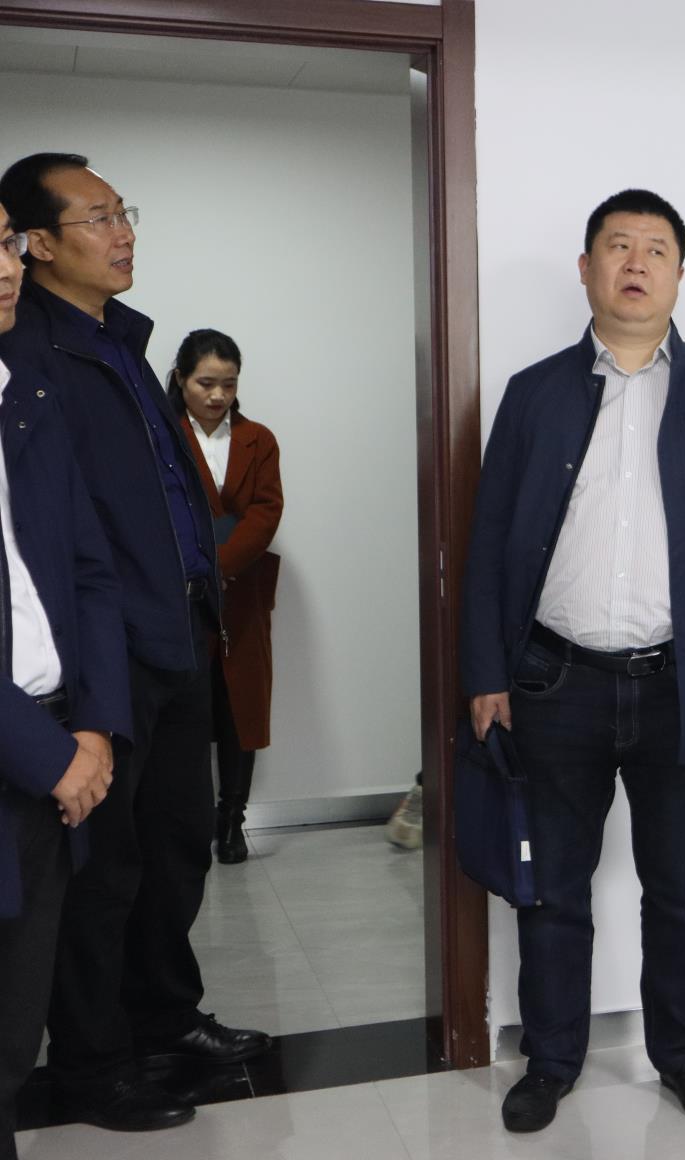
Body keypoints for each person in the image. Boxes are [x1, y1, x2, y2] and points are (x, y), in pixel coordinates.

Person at [460, 189, 685, 1134]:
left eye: (656, 248)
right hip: (555, 683)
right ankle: (551, 1060)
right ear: (587, 269)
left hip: (684, 689)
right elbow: (488, 540)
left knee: (682, 888)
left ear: (680, 273)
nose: (637, 262)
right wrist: (485, 673)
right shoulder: (534, 392)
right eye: (618, 246)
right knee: (553, 889)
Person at [0, 153, 268, 1134]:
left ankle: (163, 1019)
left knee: (176, 847)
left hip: (177, 634)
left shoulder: (121, 339)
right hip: (102, 655)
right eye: (100, 217)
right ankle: (94, 1060)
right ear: (39, 242)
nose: (123, 233)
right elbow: (60, 533)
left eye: (125, 213)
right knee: (102, 871)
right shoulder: (29, 353)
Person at [0, 200, 130, 1160]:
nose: (6, 267)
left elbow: (91, 570)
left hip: (53, 749)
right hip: (29, 753)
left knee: (14, 1024)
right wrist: (50, 756)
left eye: (4, 243)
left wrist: (93, 727)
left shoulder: (25, 394)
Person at [169, 329, 283, 865]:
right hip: (179, 593)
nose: (218, 395)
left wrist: (221, 566)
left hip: (242, 593)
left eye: (229, 384)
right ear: (181, 380)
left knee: (241, 710)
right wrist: (199, 569)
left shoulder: (259, 438)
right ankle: (188, 823)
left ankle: (231, 819)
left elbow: (266, 511)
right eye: (206, 383)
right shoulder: (163, 434)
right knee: (189, 710)